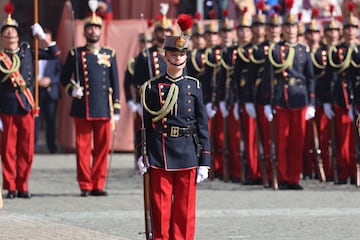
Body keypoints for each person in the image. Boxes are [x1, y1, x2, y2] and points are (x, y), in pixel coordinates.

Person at [136, 33, 211, 239]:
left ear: (186, 57)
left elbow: (202, 125)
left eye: (181, 54)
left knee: (185, 211)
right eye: (173, 54)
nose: (177, 58)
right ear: (165, 56)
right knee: (160, 210)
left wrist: (204, 159)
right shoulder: (151, 87)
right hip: (160, 152)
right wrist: (140, 153)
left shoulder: (194, 86)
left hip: (187, 151)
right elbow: (143, 124)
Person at [0, 3, 60, 199]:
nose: (10, 34)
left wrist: (42, 37)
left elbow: (54, 55)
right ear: (2, 37)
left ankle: (23, 185)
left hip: (26, 104)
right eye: (6, 32)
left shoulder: (28, 50)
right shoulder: (0, 58)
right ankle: (10, 186)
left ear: (18, 35)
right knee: (8, 150)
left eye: (12, 31)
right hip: (6, 107)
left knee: (26, 149)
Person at [60, 7, 120, 197]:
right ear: (85, 31)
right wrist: (73, 89)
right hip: (82, 107)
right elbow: (63, 78)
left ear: (100, 31)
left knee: (102, 150)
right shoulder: (75, 54)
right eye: (90, 28)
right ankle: (85, 184)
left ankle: (98, 184)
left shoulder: (109, 54)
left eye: (96, 28)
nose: (93, 31)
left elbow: (115, 82)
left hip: (103, 107)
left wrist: (116, 108)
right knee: (83, 149)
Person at [262, 4, 316, 190]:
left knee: (297, 141)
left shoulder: (303, 50)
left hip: (300, 98)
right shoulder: (275, 50)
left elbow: (310, 77)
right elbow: (269, 78)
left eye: (293, 27)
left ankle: (294, 178)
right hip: (281, 99)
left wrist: (312, 103)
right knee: (282, 141)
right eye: (287, 27)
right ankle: (283, 177)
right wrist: (268, 103)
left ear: (297, 29)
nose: (290, 30)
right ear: (283, 29)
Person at [35, 29, 62, 154]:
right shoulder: (33, 53)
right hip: (35, 92)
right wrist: (36, 80)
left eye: (47, 40)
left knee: (50, 120)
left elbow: (60, 72)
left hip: (50, 91)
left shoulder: (55, 56)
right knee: (35, 120)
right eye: (42, 39)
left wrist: (50, 80)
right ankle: (32, 145)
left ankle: (51, 145)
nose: (44, 42)